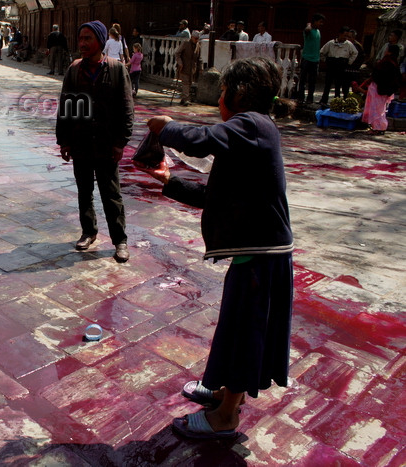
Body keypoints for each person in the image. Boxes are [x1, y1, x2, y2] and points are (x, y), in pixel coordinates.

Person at [136, 56, 294, 440]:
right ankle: (226, 391)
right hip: (253, 254)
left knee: (244, 333)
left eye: (222, 90)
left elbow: (202, 140)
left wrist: (166, 128)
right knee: (237, 329)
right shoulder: (246, 138)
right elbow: (213, 195)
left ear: (238, 94)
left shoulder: (253, 124)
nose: (220, 97)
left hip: (263, 258)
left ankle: (226, 415)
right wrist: (169, 180)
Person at [56, 20, 134, 263]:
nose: (83, 44)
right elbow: (66, 107)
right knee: (84, 192)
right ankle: (88, 232)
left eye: (88, 38)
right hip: (80, 143)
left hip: (107, 145)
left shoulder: (117, 69)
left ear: (101, 41)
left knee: (111, 194)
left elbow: (126, 108)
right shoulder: (74, 70)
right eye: (81, 39)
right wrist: (64, 141)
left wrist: (121, 141)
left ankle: (120, 240)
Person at [353, 44, 401, 135]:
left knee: (376, 109)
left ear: (389, 51)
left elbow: (378, 75)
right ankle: (379, 127)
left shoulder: (386, 62)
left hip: (379, 88)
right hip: (385, 89)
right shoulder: (394, 62)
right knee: (380, 109)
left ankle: (377, 128)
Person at [319, 26, 358, 104]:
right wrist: (326, 60)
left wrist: (349, 62)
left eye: (347, 36)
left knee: (338, 84)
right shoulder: (331, 43)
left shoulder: (349, 44)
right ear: (340, 34)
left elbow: (355, 53)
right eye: (345, 35)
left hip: (342, 64)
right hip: (332, 64)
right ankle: (324, 100)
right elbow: (321, 53)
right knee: (328, 83)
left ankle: (337, 101)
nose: (346, 38)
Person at [297, 13, 325, 103]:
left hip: (315, 60)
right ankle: (301, 98)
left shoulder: (318, 31)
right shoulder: (308, 30)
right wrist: (309, 24)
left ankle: (310, 99)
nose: (321, 24)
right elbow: (307, 29)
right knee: (303, 80)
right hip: (306, 58)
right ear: (315, 21)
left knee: (312, 82)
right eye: (320, 22)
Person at [175, 30, 201, 106]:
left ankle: (184, 99)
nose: (196, 40)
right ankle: (186, 99)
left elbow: (199, 58)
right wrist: (180, 62)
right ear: (192, 37)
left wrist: (200, 68)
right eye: (195, 38)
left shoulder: (198, 46)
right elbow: (177, 53)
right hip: (184, 67)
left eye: (197, 39)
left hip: (192, 69)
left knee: (189, 83)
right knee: (185, 83)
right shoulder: (185, 43)